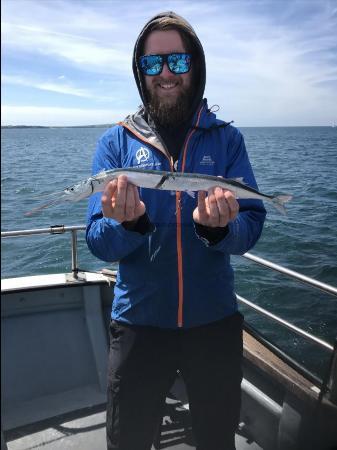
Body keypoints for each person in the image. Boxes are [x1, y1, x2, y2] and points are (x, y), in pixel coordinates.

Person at [86, 11, 266, 450]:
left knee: (217, 439)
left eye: (178, 62)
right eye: (152, 64)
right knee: (126, 440)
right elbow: (97, 240)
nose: (165, 73)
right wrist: (130, 224)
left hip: (214, 323)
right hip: (139, 325)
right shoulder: (116, 142)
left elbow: (251, 224)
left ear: (195, 66)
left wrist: (222, 230)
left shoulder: (227, 140)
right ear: (140, 71)